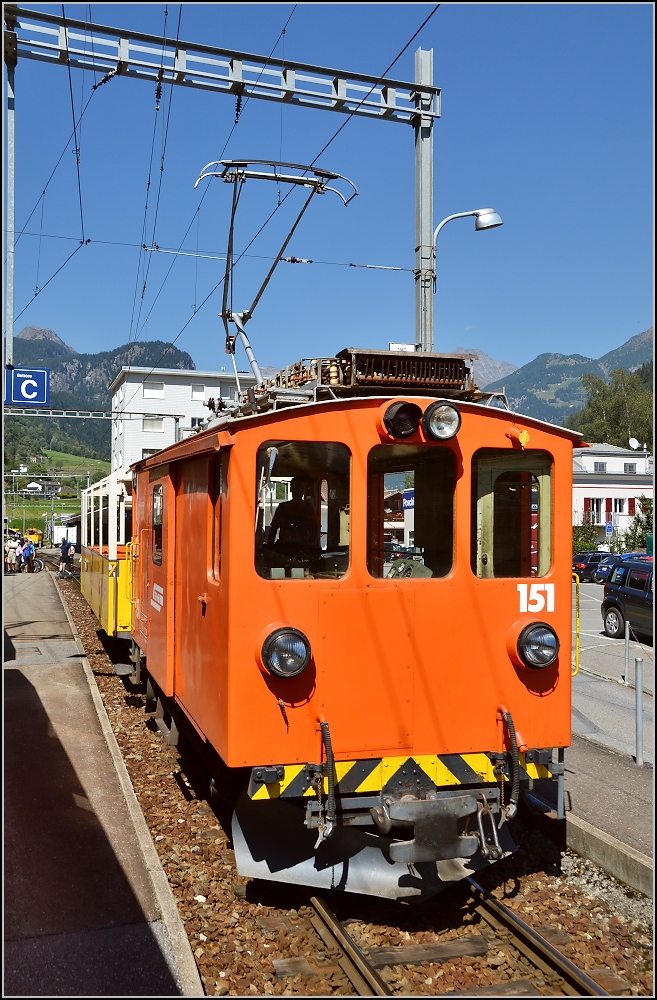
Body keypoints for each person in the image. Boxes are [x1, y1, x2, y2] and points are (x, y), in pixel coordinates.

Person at [267, 478, 319, 557]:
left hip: (304, 551)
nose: (299, 491)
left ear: (304, 490)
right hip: (285, 550)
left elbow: (315, 530)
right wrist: (269, 549)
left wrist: (312, 549)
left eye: (301, 488)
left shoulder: (310, 509)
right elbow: (273, 529)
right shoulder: (282, 508)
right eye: (296, 488)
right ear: (291, 489)